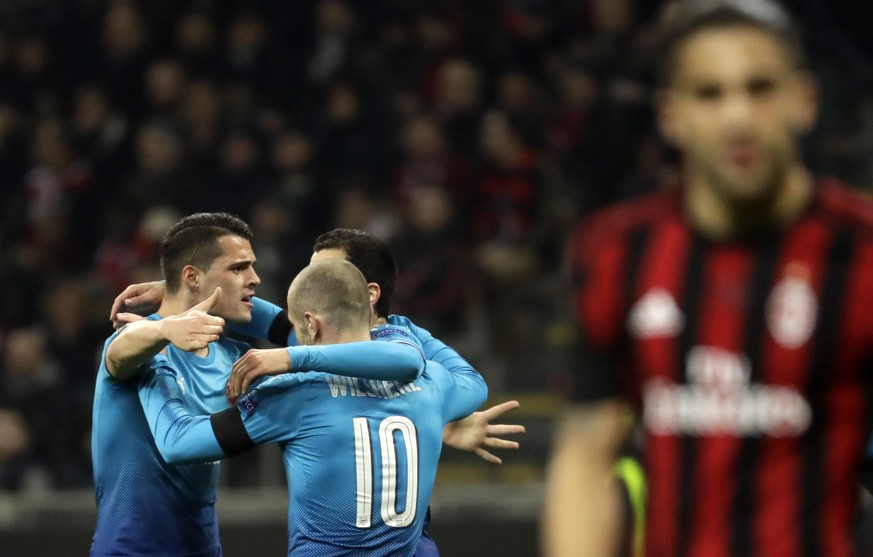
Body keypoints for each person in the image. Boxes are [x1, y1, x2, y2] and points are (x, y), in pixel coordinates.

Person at [542, 1, 873, 556]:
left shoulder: (860, 253)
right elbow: (586, 455)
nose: (738, 116)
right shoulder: (616, 253)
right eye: (710, 94)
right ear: (671, 115)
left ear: (804, 101)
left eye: (760, 89)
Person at [110, 227, 523, 556]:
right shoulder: (430, 385)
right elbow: (464, 383)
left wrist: (151, 365)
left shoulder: (297, 390)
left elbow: (181, 442)